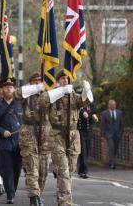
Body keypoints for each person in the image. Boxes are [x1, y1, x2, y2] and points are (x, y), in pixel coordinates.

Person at [40, 70, 93, 206]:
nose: (65, 81)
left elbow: (86, 102)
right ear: (58, 81)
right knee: (63, 171)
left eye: (67, 79)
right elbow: (42, 101)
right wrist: (60, 91)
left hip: (73, 138)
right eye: (62, 79)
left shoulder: (73, 96)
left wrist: (87, 90)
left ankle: (61, 197)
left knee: (69, 171)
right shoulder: (53, 96)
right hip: (57, 137)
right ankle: (66, 203)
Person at [13, 72, 49, 206]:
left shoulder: (47, 95)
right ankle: (34, 197)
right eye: (35, 80)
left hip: (45, 135)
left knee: (43, 170)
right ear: (31, 82)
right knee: (32, 168)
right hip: (29, 134)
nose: (38, 82)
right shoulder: (27, 94)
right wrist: (34, 88)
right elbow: (16, 94)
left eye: (40, 80)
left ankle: (38, 193)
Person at [0, 77, 23, 204]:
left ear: (14, 89)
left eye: (11, 87)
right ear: (2, 90)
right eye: (6, 87)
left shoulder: (20, 104)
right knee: (7, 168)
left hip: (19, 142)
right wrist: (2, 131)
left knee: (16, 169)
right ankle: (10, 193)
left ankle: (13, 189)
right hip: (4, 142)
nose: (9, 89)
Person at [100, 99, 124, 169]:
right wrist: (102, 134)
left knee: (115, 148)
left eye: (115, 105)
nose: (114, 106)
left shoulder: (119, 113)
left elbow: (121, 124)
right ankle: (113, 164)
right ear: (109, 105)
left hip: (117, 134)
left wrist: (120, 133)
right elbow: (102, 125)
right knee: (111, 147)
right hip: (109, 134)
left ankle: (111, 161)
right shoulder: (105, 113)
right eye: (112, 105)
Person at [77, 103, 98, 178]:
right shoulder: (79, 105)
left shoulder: (91, 105)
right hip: (81, 132)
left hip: (89, 132)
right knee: (83, 151)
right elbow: (80, 112)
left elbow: (94, 113)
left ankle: (81, 170)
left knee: (88, 151)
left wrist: (94, 116)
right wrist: (84, 112)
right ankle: (84, 171)